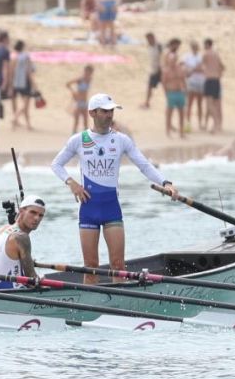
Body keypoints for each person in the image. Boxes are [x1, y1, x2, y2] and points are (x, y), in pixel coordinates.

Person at [50, 92, 177, 281]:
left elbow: (144, 165)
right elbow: (56, 165)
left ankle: (120, 305)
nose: (110, 115)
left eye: (112, 111)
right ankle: (91, 306)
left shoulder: (121, 140)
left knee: (118, 265)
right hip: (88, 209)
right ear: (92, 113)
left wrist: (166, 183)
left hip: (111, 209)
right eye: (105, 111)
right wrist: (71, 183)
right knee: (90, 267)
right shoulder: (79, 140)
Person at [0, 195, 47, 286]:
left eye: (40, 215)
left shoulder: (1, 230)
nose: (37, 218)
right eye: (33, 212)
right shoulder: (22, 237)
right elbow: (32, 279)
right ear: (21, 211)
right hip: (12, 292)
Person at [160, 37, 188, 138]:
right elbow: (163, 82)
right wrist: (166, 93)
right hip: (171, 92)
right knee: (169, 113)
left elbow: (183, 80)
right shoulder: (166, 69)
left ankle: (181, 132)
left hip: (179, 92)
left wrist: (185, 90)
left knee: (181, 113)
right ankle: (168, 131)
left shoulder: (179, 69)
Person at [9, 40, 35, 130]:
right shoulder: (26, 57)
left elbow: (11, 72)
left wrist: (11, 85)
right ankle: (15, 118)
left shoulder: (14, 57)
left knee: (25, 104)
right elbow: (29, 71)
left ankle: (28, 125)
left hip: (16, 83)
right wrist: (33, 84)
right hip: (25, 82)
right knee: (25, 104)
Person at [201, 37, 224, 134]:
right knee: (217, 104)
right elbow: (222, 67)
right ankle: (218, 125)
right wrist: (219, 74)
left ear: (207, 44)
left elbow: (200, 65)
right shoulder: (216, 54)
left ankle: (216, 124)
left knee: (210, 104)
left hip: (210, 79)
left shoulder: (206, 54)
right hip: (217, 80)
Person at [184, 39, 205, 133]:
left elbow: (202, 69)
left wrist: (192, 69)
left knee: (200, 104)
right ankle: (188, 123)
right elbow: (185, 69)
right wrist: (194, 69)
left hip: (200, 82)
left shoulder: (201, 57)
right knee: (190, 104)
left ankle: (200, 123)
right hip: (192, 82)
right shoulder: (187, 57)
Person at [142, 31, 162, 109]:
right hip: (154, 70)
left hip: (161, 70)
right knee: (149, 87)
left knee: (167, 88)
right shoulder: (149, 47)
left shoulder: (159, 46)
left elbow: (162, 57)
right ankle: (147, 103)